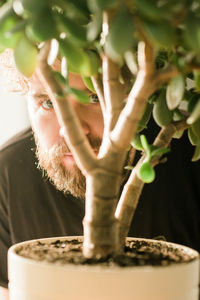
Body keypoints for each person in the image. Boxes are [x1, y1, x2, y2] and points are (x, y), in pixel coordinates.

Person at [0, 51, 200, 300]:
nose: (71, 131)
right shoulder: (7, 173)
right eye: (48, 103)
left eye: (95, 98)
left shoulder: (190, 163)